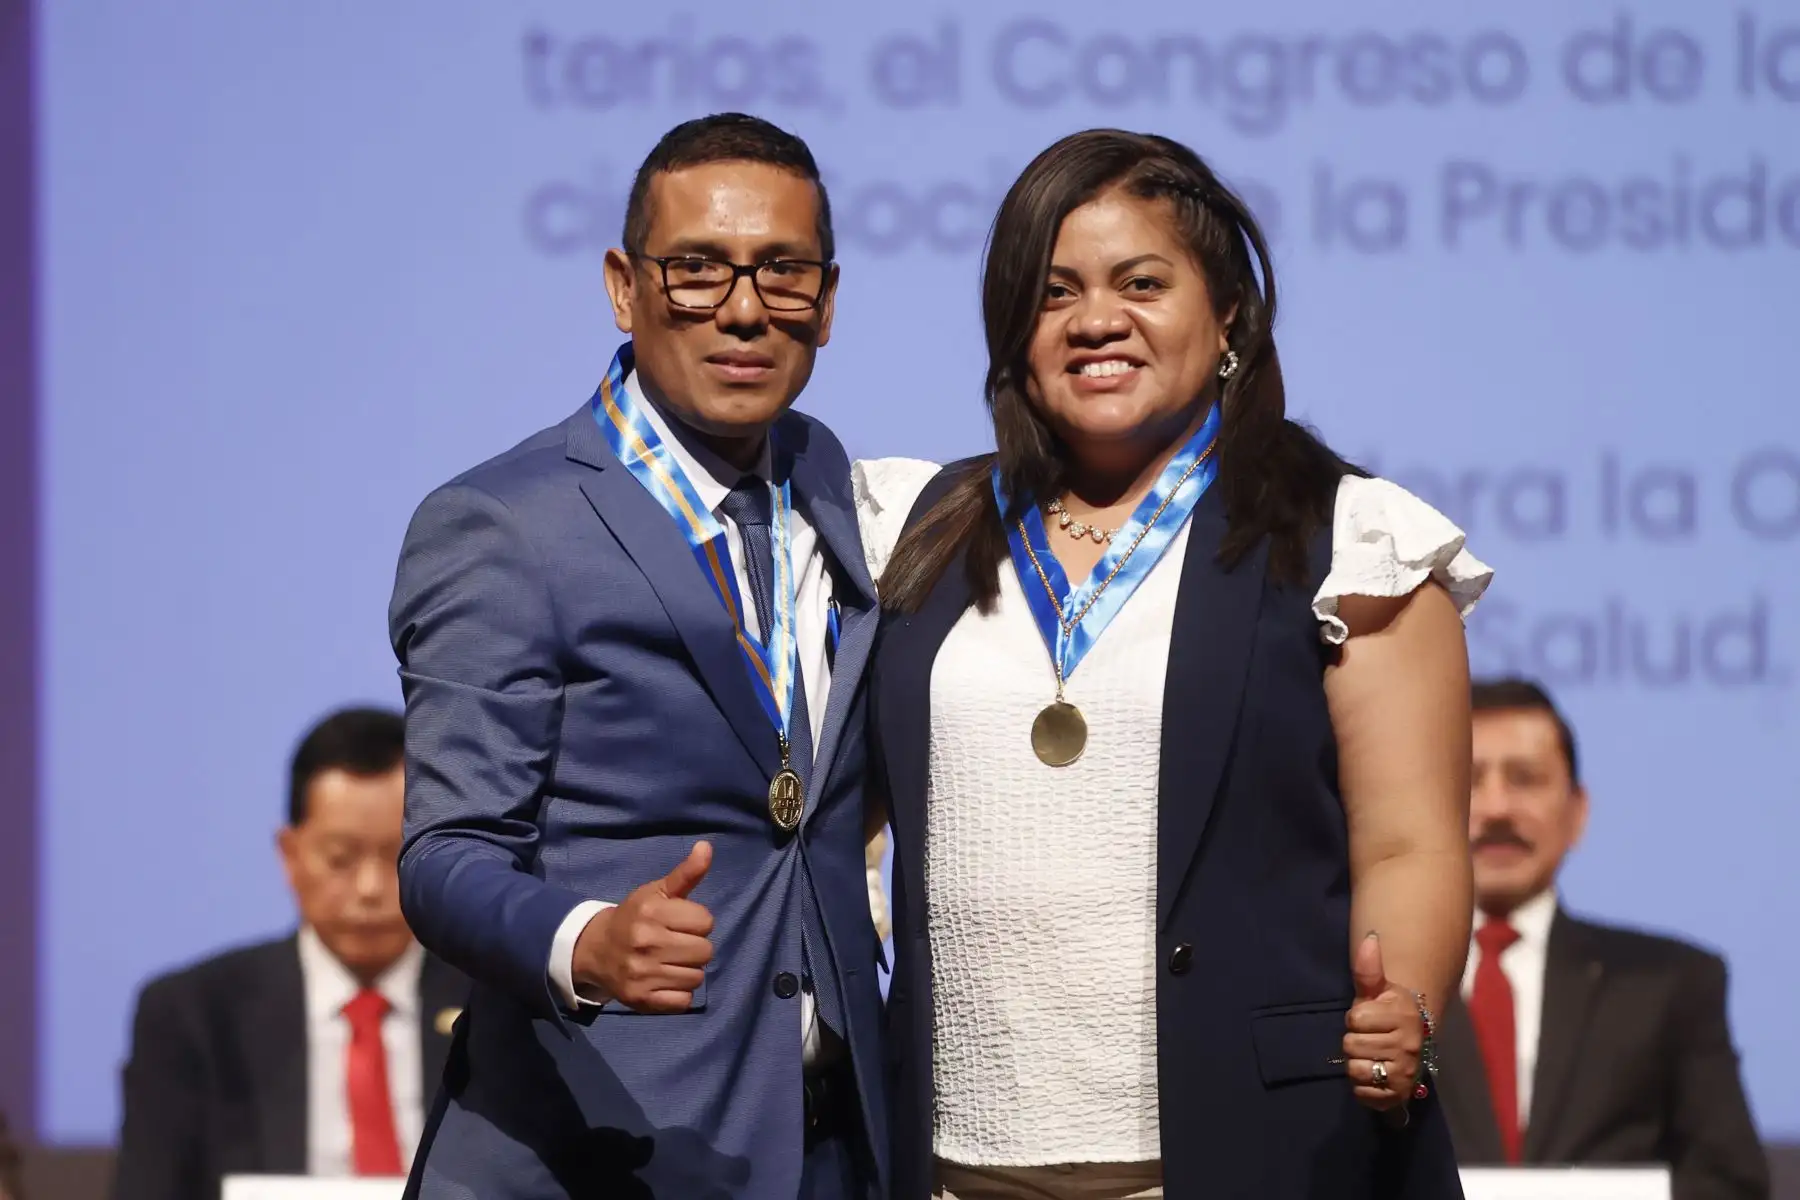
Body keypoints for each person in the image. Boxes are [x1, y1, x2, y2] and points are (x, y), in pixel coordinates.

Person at [853, 128, 1493, 1199]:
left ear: (1229, 312)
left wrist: (1409, 1006)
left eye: (1140, 282)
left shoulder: (1350, 540)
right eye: (1054, 294)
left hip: (1254, 1155)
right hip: (950, 1162)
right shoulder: (919, 527)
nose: (1096, 319)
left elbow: (1411, 840)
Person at [389, 113, 886, 1198]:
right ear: (624, 285)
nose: (744, 310)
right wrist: (587, 940)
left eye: (783, 273)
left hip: (830, 1149)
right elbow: (446, 853)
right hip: (595, 1152)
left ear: (828, 302)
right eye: (697, 271)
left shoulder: (832, 481)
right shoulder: (503, 524)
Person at [112, 707, 467, 1200]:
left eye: (396, 857)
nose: (369, 889)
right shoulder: (193, 1016)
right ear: (290, 855)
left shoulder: (491, 1005)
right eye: (340, 858)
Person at [1434, 678, 1768, 1199]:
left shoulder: (1672, 982)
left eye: (1525, 779)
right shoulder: (1380, 983)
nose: (1497, 808)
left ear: (1577, 812)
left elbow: (1730, 1184)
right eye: (1469, 780)